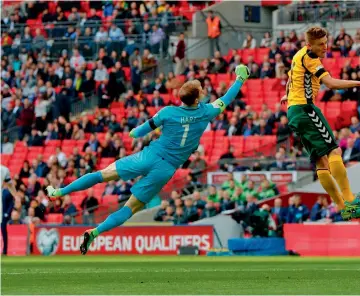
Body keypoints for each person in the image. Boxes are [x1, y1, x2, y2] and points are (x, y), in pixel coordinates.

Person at [46, 65, 250, 255]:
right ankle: (95, 233)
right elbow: (227, 97)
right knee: (130, 208)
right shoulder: (207, 112)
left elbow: (142, 130)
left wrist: (135, 132)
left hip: (149, 155)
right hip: (166, 168)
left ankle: (58, 192)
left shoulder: (168, 112)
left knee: (103, 175)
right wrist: (240, 78)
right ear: (197, 99)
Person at [280, 27, 360, 220]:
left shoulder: (298, 55)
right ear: (309, 45)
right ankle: (350, 200)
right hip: (306, 110)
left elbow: (291, 78)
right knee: (334, 151)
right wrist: (359, 83)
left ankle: (342, 207)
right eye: (321, 44)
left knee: (321, 161)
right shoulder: (311, 59)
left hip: (294, 112)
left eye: (326, 42)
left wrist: (287, 95)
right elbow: (330, 83)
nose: (325, 47)